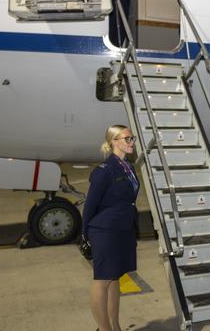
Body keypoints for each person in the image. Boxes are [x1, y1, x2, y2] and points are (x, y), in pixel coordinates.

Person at [83, 124, 140, 331]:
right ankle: (104, 328)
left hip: (122, 229)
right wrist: (85, 234)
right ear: (114, 142)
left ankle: (115, 326)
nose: (131, 142)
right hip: (105, 231)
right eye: (127, 139)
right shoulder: (104, 171)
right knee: (102, 281)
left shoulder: (128, 167)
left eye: (132, 138)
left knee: (115, 278)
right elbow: (90, 204)